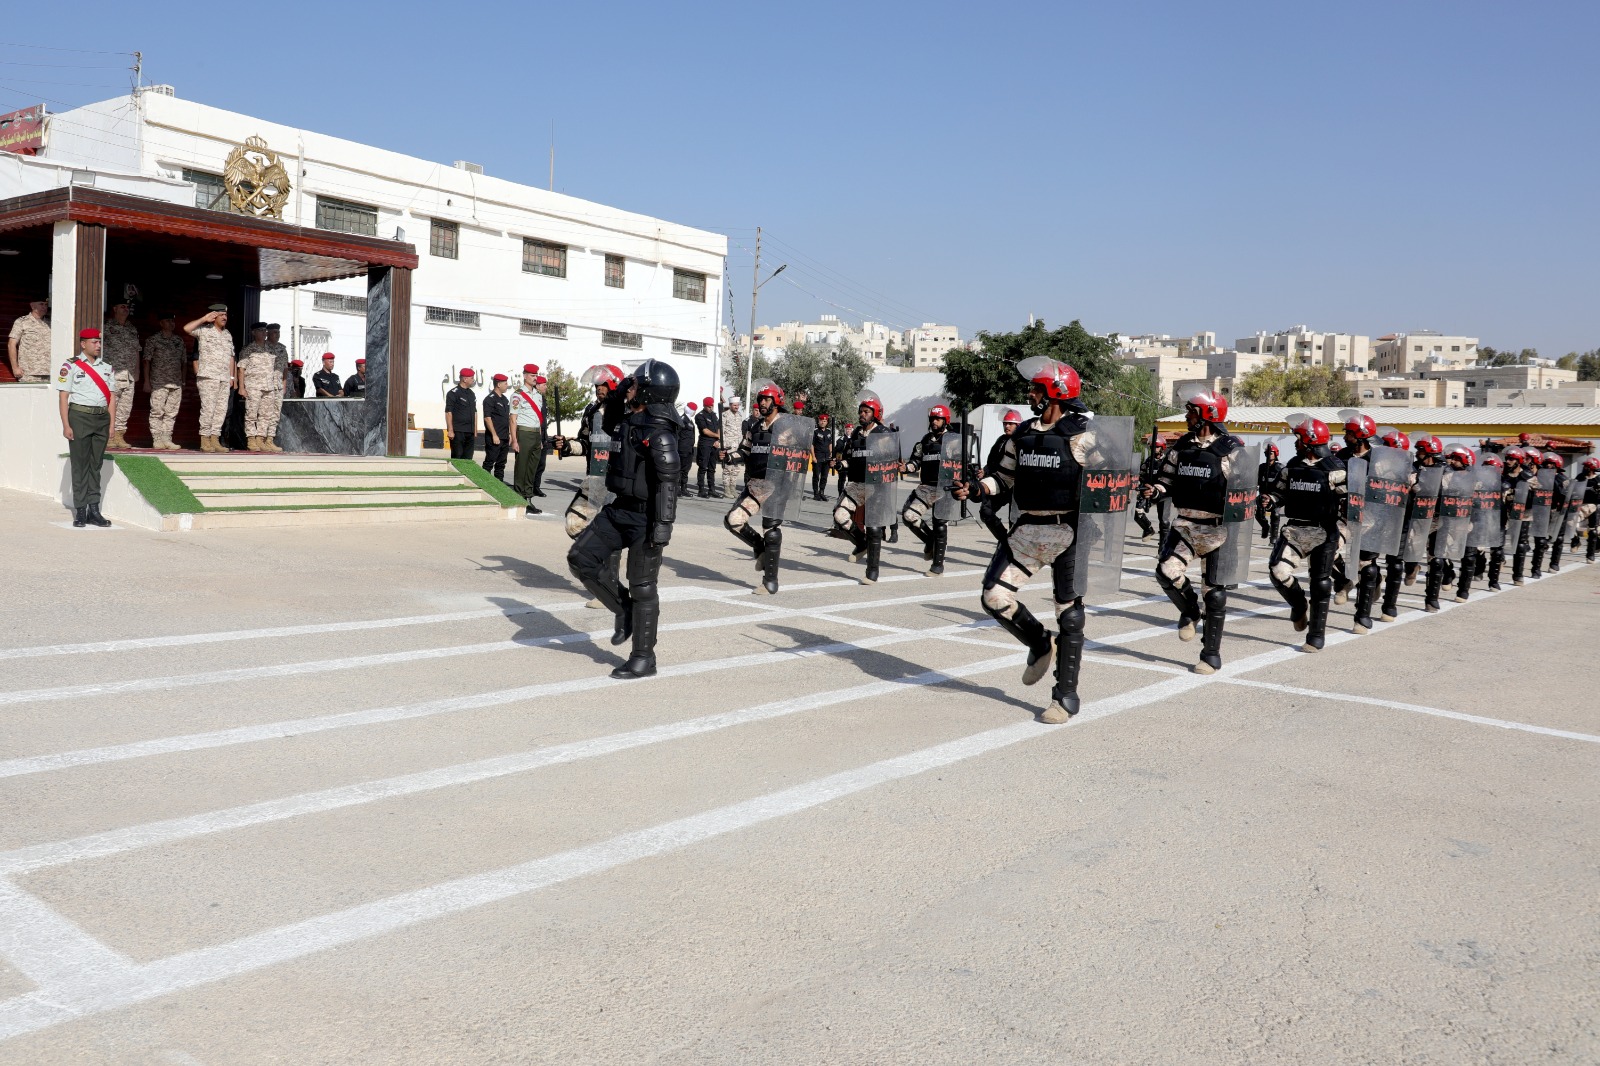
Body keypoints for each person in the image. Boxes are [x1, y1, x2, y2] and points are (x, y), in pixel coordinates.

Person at [955, 357, 1097, 723]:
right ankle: (1039, 642)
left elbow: (1108, 481)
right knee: (993, 596)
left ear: (1056, 393)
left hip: (1069, 531)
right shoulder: (1020, 435)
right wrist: (976, 488)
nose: (1030, 394)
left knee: (1069, 615)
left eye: (1036, 388)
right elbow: (1003, 478)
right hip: (1028, 529)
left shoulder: (1085, 436)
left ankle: (1064, 696)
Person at [567, 360, 682, 680]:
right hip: (618, 509)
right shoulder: (627, 419)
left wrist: (663, 525)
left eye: (635, 384)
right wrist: (620, 391)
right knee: (581, 559)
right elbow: (609, 418)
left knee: (642, 587)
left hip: (646, 518)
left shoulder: (660, 432)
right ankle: (624, 609)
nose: (629, 388)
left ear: (649, 390)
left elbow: (669, 481)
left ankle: (644, 657)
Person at [1142, 390, 1247, 673]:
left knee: (1214, 594)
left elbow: (1244, 490)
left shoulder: (1231, 449)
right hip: (1185, 525)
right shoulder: (1182, 446)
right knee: (1166, 572)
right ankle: (1190, 611)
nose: (1187, 416)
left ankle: (1210, 654)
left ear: (1208, 415)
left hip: (1217, 529)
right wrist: (1155, 490)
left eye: (1192, 411)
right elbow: (1166, 480)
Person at [1264, 416, 1347, 652]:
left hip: (1323, 530)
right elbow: (1279, 493)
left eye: (1299, 438)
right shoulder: (1292, 466)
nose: (1295, 442)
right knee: (1278, 571)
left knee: (1320, 584)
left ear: (1310, 441)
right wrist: (1270, 500)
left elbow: (1349, 498)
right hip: (1295, 529)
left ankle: (1316, 635)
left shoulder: (1335, 469)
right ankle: (1299, 605)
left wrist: (1350, 508)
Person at [723, 381, 794, 595]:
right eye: (760, 399)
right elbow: (744, 452)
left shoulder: (788, 427)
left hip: (778, 486)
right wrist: (728, 457)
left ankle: (770, 581)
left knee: (771, 532)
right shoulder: (754, 427)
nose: (762, 403)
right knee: (733, 520)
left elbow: (797, 457)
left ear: (777, 401)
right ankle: (760, 547)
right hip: (756, 484)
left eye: (767, 399)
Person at [831, 391, 897, 584]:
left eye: (866, 411)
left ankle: (872, 570)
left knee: (874, 528)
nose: (862, 414)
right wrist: (839, 464)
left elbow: (891, 461)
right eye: (861, 411)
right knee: (840, 515)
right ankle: (861, 543)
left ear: (875, 414)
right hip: (857, 484)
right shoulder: (856, 434)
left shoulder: (884, 434)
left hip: (877, 485)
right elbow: (850, 460)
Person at [56, 328, 115, 527]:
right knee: (80, 465)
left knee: (95, 465)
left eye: (99, 342)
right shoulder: (70, 365)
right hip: (79, 417)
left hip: (101, 418)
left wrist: (112, 424)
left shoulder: (107, 367)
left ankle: (94, 510)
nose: (98, 345)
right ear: (83, 344)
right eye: (94, 342)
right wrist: (66, 424)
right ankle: (81, 510)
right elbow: (63, 396)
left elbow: (112, 397)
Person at [901, 404, 956, 576]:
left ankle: (937, 565)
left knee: (940, 525)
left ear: (946, 420)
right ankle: (929, 539)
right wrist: (906, 468)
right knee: (908, 516)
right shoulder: (924, 440)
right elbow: (915, 462)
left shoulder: (953, 440)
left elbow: (961, 464)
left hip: (945, 488)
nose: (934, 422)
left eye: (938, 419)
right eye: (932, 418)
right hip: (926, 487)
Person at [184, 304, 234, 453]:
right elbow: (187, 329)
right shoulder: (204, 331)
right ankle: (205, 440)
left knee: (221, 410)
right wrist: (203, 319)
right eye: (221, 315)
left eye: (226, 315)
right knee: (208, 409)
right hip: (208, 376)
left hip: (224, 377)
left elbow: (231, 357)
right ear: (214, 316)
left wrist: (231, 376)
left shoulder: (227, 334)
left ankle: (215, 439)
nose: (224, 317)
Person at [142, 312, 187, 451]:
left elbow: (184, 362)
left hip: (176, 382)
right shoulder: (153, 340)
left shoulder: (179, 340)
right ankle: (157, 439)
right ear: (161, 323)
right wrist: (146, 381)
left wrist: (183, 381)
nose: (171, 323)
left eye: (172, 321)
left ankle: (167, 439)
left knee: (171, 413)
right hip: (159, 382)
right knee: (157, 411)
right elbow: (146, 361)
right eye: (168, 321)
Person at [977, 408, 1022, 545]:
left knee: (1014, 522)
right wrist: (985, 471)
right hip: (1001, 482)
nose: (1007, 426)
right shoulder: (1001, 440)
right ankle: (1004, 542)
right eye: (1005, 423)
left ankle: (1013, 549)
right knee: (986, 512)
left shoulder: (1023, 441)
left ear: (1018, 425)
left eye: (1010, 423)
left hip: (1017, 487)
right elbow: (993, 461)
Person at [237, 322, 283, 452]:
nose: (264, 333)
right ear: (254, 333)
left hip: (269, 386)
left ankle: (260, 439)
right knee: (251, 414)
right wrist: (241, 387)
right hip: (253, 386)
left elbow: (279, 367)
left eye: (265, 331)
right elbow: (241, 369)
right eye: (260, 331)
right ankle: (251, 439)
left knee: (266, 415)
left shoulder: (271, 348)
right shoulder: (248, 349)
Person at [101, 301, 140, 450]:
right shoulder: (106, 326)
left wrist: (137, 371)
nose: (126, 309)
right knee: (110, 406)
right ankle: (108, 436)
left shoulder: (132, 328)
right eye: (122, 306)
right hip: (112, 373)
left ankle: (119, 436)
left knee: (125, 407)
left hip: (129, 375)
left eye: (127, 307)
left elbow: (136, 351)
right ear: (115, 308)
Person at [510, 365, 549, 510]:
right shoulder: (517, 395)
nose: (535, 378)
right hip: (524, 433)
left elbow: (539, 419)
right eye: (532, 375)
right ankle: (519, 497)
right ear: (525, 376)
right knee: (522, 467)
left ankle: (528, 498)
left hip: (535, 434)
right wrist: (514, 440)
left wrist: (540, 438)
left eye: (536, 375)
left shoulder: (538, 395)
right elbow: (513, 419)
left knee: (532, 467)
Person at [1530, 451, 1563, 578]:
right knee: (1540, 541)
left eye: (1551, 464)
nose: (1548, 466)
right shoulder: (1537, 478)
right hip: (1541, 511)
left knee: (1558, 538)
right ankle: (1536, 568)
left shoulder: (1562, 479)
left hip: (1556, 511)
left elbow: (1569, 495)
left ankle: (1554, 563)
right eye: (1546, 464)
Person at [8, 296, 52, 383]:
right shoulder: (22, 322)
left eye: (46, 304)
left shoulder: (50, 323)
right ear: (32, 306)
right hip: (29, 373)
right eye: (41, 304)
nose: (44, 307)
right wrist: (15, 367)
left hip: (49, 372)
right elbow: (11, 344)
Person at [1135, 438, 1170, 543]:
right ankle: (1148, 529)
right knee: (1137, 511)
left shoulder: (1168, 461)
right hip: (1150, 491)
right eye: (1152, 447)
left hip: (1164, 493)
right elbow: (1141, 475)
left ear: (1162, 448)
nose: (1154, 449)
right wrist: (1143, 486)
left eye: (1157, 447)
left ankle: (1163, 548)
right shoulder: (1148, 461)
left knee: (1164, 522)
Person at [482, 373, 511, 481]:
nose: (507, 385)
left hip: (504, 437)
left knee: (501, 464)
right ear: (498, 384)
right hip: (494, 437)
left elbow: (507, 418)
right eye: (505, 383)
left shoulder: (505, 399)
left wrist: (509, 434)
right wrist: (494, 435)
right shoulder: (490, 399)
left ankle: (499, 484)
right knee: (489, 462)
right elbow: (487, 418)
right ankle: (484, 483)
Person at [445, 370, 478, 461]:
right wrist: (450, 430)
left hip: (469, 431)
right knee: (457, 457)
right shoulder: (453, 393)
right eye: (471, 378)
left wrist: (475, 430)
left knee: (468, 458)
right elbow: (448, 412)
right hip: (458, 431)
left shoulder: (471, 394)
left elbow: (475, 412)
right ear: (465, 379)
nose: (473, 380)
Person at [694, 395, 723, 498]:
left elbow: (719, 427)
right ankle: (701, 490)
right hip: (705, 444)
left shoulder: (714, 415)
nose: (711, 408)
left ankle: (712, 489)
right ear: (704, 405)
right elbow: (705, 431)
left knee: (712, 468)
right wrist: (717, 436)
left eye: (712, 406)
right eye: (709, 406)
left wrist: (718, 440)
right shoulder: (700, 416)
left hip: (714, 444)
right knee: (703, 467)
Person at [1256, 443, 1283, 541]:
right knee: (1258, 515)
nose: (1269, 455)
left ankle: (1274, 537)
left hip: (1275, 496)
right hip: (1263, 495)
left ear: (1276, 454)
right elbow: (1256, 480)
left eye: (1271, 453)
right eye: (1267, 453)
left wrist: (1275, 496)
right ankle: (1265, 527)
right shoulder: (1262, 467)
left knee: (1275, 514)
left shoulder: (1280, 468)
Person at [719, 396, 744, 498]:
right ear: (730, 405)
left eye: (738, 405)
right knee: (727, 469)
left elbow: (739, 431)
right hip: (728, 446)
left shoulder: (739, 415)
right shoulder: (724, 415)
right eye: (734, 405)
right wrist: (723, 446)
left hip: (737, 446)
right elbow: (721, 431)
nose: (736, 407)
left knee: (735, 469)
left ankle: (733, 488)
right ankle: (726, 489)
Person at [808, 412, 836, 501]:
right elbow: (811, 445)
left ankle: (822, 492)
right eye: (821, 421)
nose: (823, 422)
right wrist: (813, 457)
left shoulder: (828, 432)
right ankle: (816, 493)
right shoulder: (815, 432)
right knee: (816, 476)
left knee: (824, 477)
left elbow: (830, 443)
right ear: (818, 421)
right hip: (818, 457)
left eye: (824, 421)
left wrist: (831, 453)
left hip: (827, 457)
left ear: (827, 422)